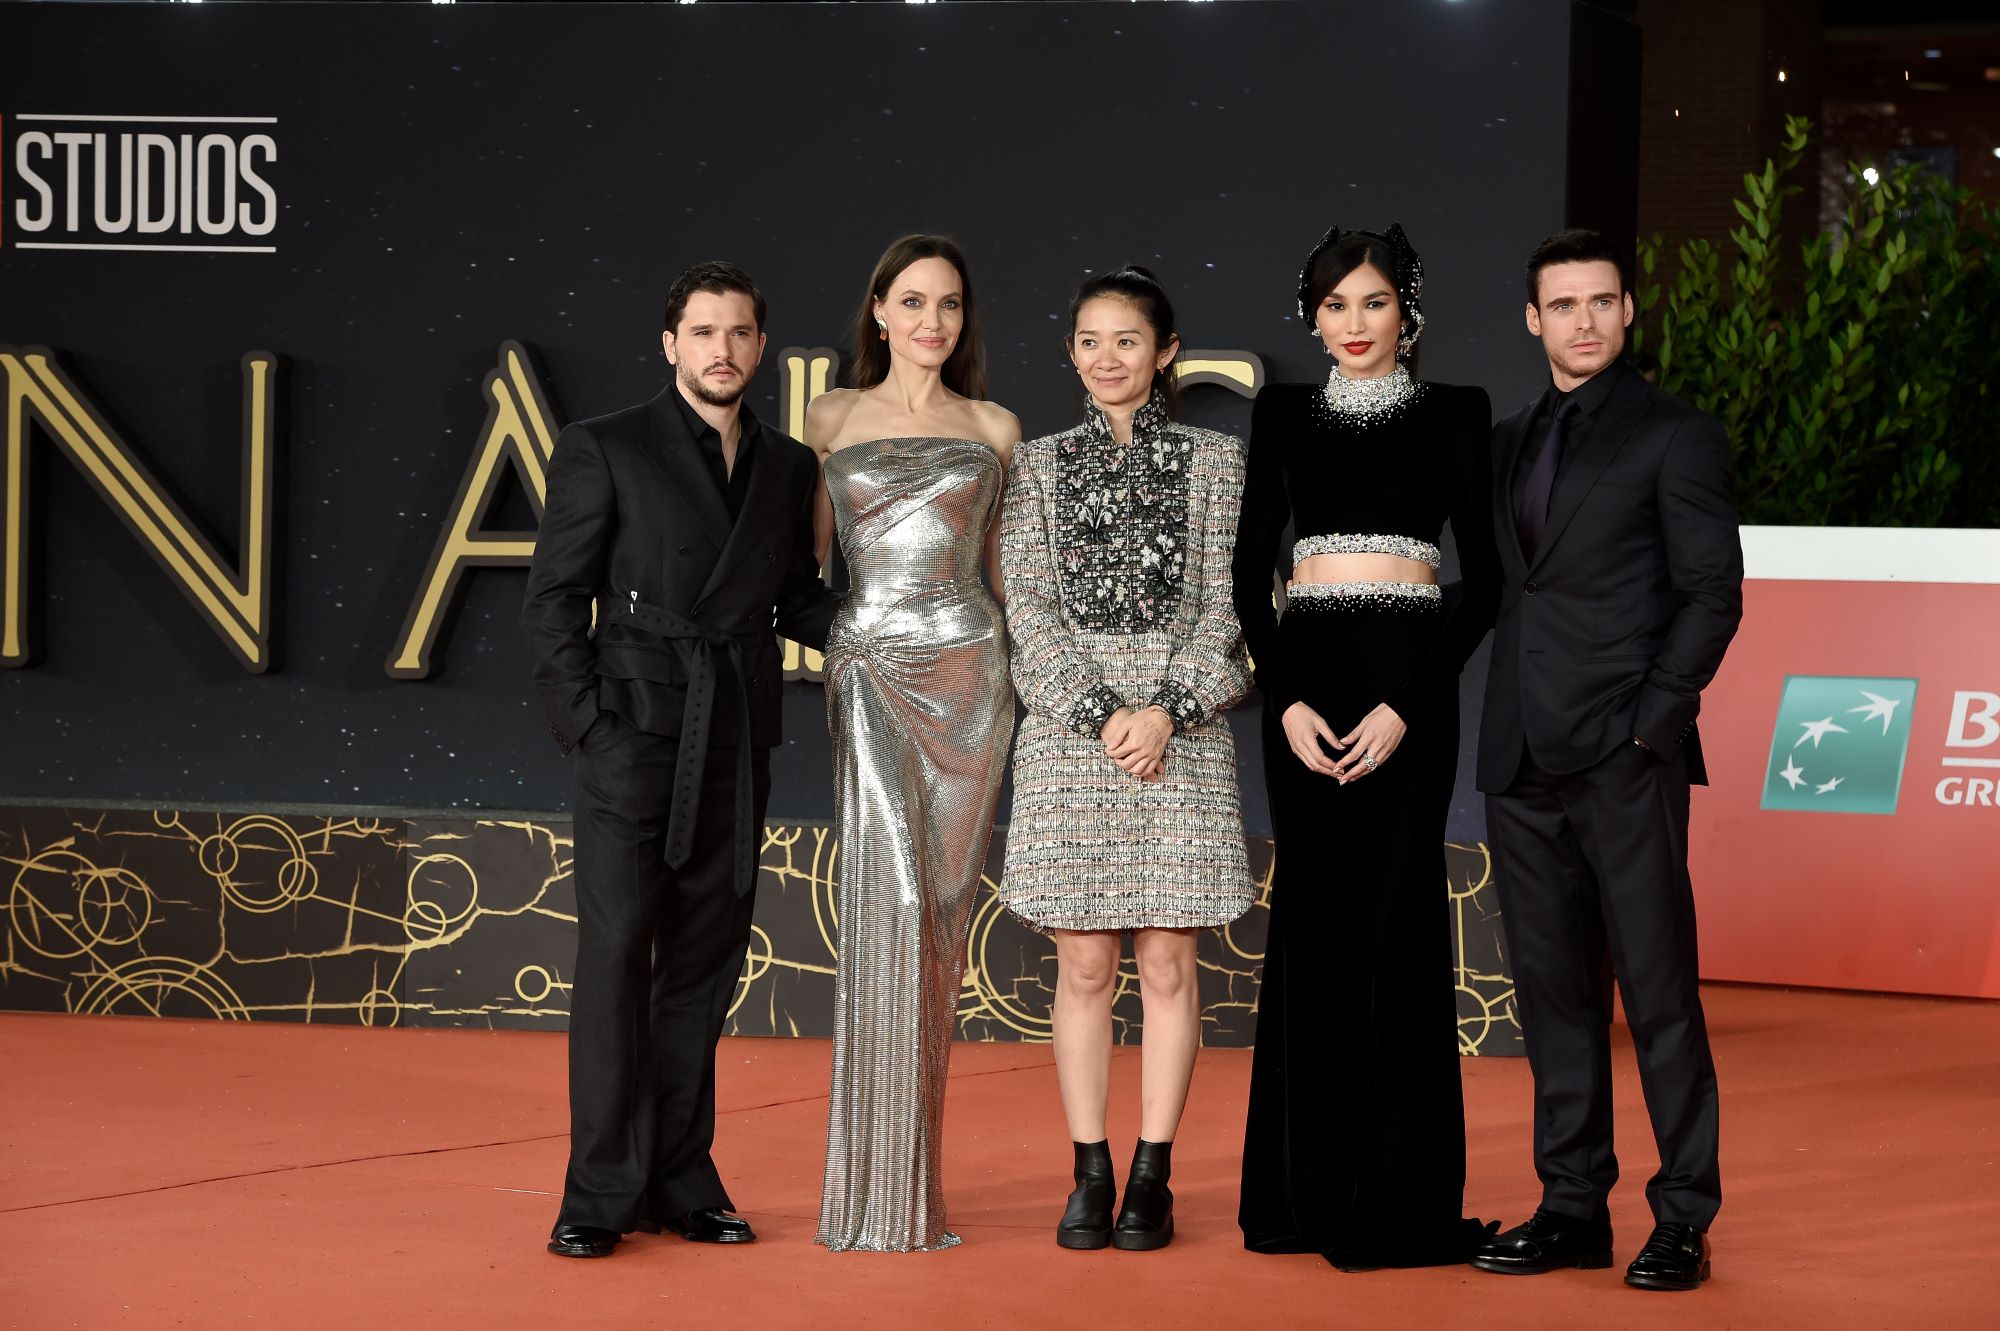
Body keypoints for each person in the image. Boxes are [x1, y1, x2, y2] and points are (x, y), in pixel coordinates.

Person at [522, 261, 842, 1259]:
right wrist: (590, 729)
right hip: (631, 737)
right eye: (702, 332)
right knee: (616, 965)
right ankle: (596, 1191)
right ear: (670, 343)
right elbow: (551, 601)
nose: (721, 350)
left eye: (739, 333)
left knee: (702, 971)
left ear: (760, 346)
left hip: (735, 742)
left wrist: (910, 639)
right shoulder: (602, 445)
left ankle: (681, 1178)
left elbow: (795, 599)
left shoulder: (789, 467)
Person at [1469, 229, 1742, 1293]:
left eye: (1599, 301)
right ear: (1532, 320)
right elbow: (1504, 591)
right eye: (1561, 304)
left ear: (1627, 311)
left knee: (1658, 989)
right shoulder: (1501, 440)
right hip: (1519, 756)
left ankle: (1681, 1213)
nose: (1581, 320)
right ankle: (1570, 1202)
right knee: (1550, 993)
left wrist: (1648, 728)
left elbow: (1711, 592)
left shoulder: (1675, 434)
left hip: (1624, 757)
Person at [1230, 223, 1499, 1270]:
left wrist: (1406, 704)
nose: (1352, 324)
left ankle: (1399, 1193)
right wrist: (1285, 699)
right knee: (1312, 921)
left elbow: (1481, 585)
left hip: (1408, 692)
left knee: (1394, 921)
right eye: (1334, 305)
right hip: (1305, 687)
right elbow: (1253, 567)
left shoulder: (1457, 413)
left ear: (1408, 310)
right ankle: (1300, 1192)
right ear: (1310, 315)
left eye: (1373, 303)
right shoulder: (1282, 412)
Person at [997, 266, 1252, 1252]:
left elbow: (1225, 604)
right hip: (1071, 733)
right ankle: (1088, 1168)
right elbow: (1029, 608)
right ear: (1071, 352)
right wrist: (1106, 711)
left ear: (1166, 350)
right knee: (1085, 961)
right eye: (1090, 340)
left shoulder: (1216, 460)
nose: (1108, 358)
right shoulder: (1033, 463)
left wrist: (1168, 708)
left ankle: (1152, 1171)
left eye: (1128, 340)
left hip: (1179, 733)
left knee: (1168, 958)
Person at [807, 234, 1019, 1252]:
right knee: (887, 901)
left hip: (973, 677)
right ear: (878, 312)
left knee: (936, 918)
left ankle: (911, 1187)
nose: (931, 321)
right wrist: (841, 651)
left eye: (949, 304)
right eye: (912, 301)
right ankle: (873, 1196)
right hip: (871, 676)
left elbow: (1005, 572)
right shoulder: (828, 418)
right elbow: (806, 567)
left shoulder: (994, 426)